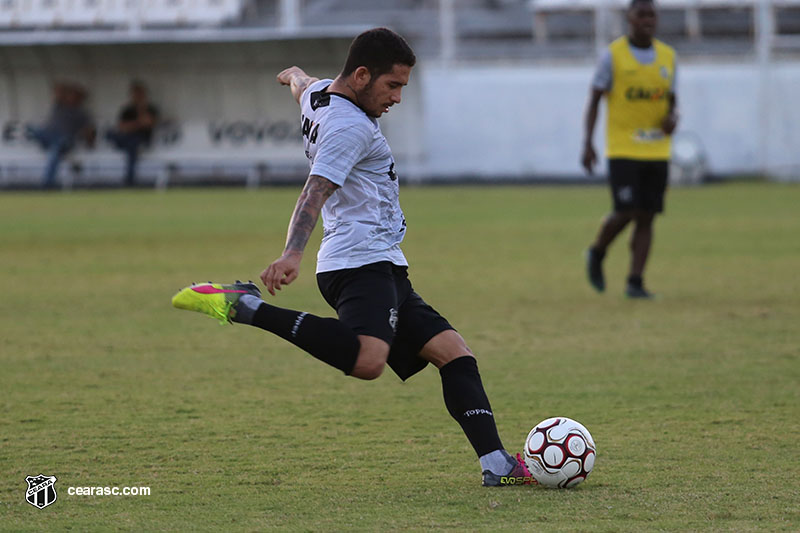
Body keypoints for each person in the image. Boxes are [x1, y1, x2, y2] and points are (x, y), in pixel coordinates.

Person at [172, 28, 533, 487]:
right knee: (368, 361)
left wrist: (295, 76)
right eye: (393, 85)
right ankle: (246, 306)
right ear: (361, 76)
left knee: (454, 354)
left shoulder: (322, 93)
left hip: (382, 261)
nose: (398, 97)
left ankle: (496, 463)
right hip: (357, 263)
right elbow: (315, 190)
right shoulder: (349, 128)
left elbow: (305, 86)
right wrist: (290, 254)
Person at [581, 0, 678, 299]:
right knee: (625, 211)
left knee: (647, 215)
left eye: (652, 14)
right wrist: (588, 143)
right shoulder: (613, 56)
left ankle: (635, 282)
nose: (648, 20)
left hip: (657, 150)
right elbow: (595, 100)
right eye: (641, 14)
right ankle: (597, 251)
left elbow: (671, 99)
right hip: (623, 148)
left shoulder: (668, 57)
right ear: (630, 19)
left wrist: (673, 118)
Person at [27, 82, 95, 189]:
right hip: (48, 136)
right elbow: (57, 91)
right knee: (31, 128)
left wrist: (89, 142)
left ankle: (47, 184)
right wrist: (66, 89)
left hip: (64, 140)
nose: (71, 97)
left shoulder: (82, 114)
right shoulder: (59, 106)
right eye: (70, 95)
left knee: (55, 151)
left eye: (74, 96)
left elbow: (89, 131)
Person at [105, 81, 160, 186]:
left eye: (139, 94)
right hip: (126, 138)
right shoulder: (127, 110)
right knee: (110, 134)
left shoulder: (150, 108)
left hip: (141, 139)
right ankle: (129, 179)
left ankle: (129, 180)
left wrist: (138, 116)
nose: (137, 96)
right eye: (135, 94)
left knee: (132, 145)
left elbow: (149, 123)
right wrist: (138, 123)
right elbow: (122, 127)